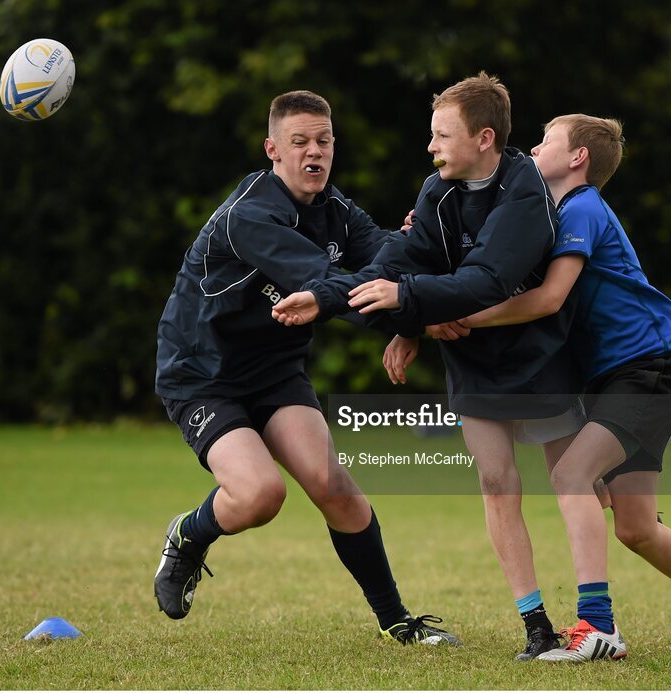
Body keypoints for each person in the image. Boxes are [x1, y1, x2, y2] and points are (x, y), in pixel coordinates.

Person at [272, 73, 587, 661]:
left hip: (539, 357)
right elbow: (397, 258)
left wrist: (408, 304)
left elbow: (488, 279)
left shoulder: (524, 191)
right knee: (497, 485)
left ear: (485, 138)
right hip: (473, 361)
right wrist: (331, 298)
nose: (431, 146)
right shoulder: (437, 192)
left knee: (584, 490)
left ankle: (597, 620)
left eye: (443, 135)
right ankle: (537, 627)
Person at [153, 90, 460, 646]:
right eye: (300, 142)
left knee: (334, 486)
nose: (313, 152)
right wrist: (416, 315)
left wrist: (416, 249)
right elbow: (326, 283)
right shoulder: (251, 215)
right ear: (273, 149)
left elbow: (384, 255)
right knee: (260, 496)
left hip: (275, 372)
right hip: (203, 375)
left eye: (323, 141)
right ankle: (188, 536)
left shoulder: (336, 209)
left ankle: (397, 623)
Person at [458, 114, 671, 662]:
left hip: (648, 366)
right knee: (636, 526)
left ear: (578, 158)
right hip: (620, 375)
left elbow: (549, 299)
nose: (532, 144)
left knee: (571, 473)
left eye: (546, 138)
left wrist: (467, 316)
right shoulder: (553, 215)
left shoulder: (582, 208)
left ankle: (598, 628)